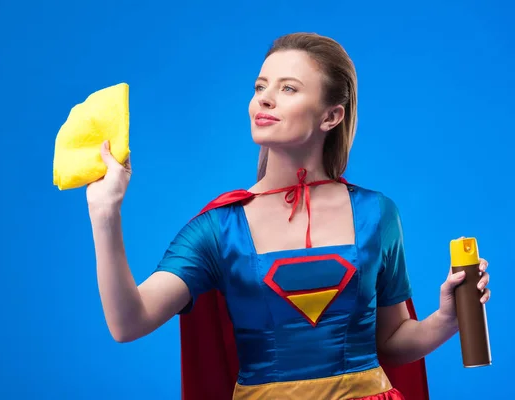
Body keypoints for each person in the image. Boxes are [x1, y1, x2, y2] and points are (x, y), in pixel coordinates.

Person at [85, 32, 491, 400]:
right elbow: (128, 322)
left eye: (288, 88)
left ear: (331, 116)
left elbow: (392, 341)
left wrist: (446, 319)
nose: (264, 99)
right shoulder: (219, 227)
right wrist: (106, 212)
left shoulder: (376, 214)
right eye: (260, 87)